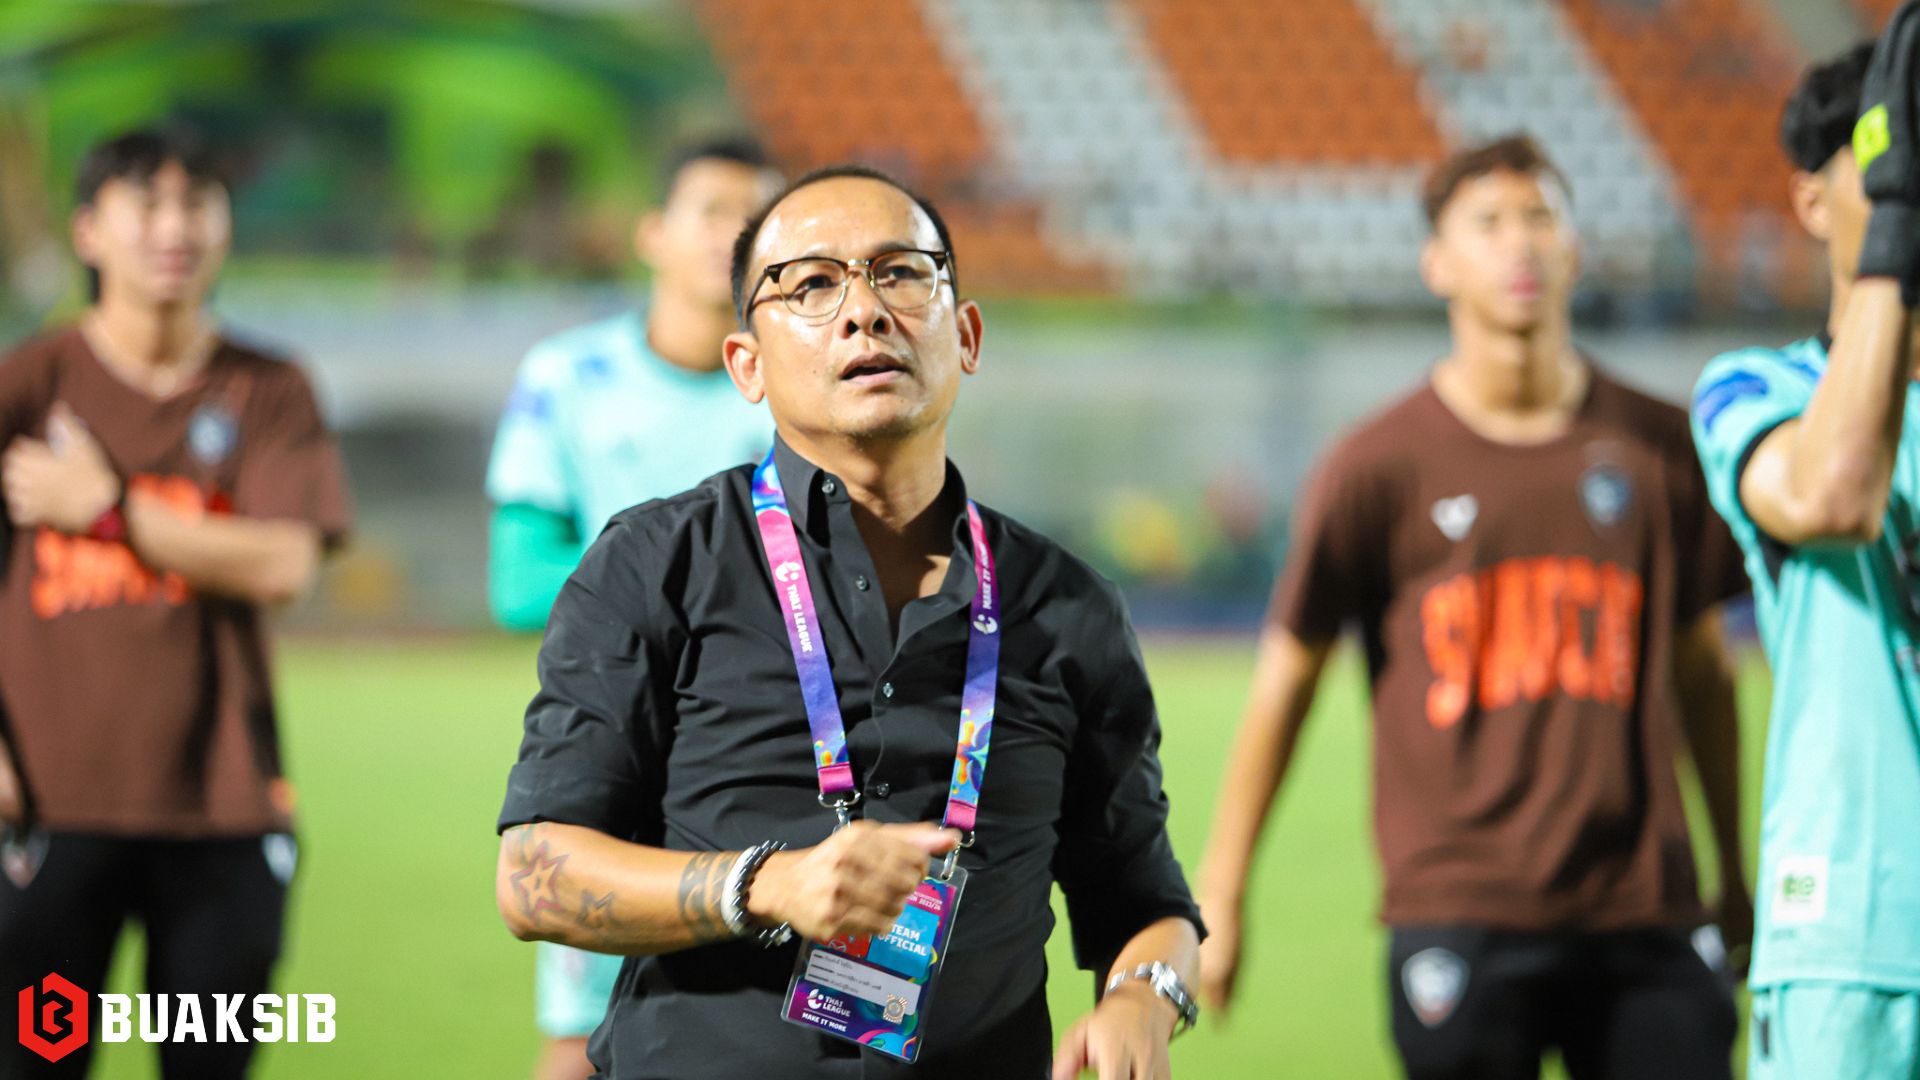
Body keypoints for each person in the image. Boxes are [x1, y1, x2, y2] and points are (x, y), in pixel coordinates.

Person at [492, 165, 1202, 1080]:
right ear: (747, 364)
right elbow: (534, 875)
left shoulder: (1067, 608)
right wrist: (764, 884)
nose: (864, 311)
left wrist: (1144, 997)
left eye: (900, 273)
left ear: (966, 334)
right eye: (811, 285)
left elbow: (1147, 902)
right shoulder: (654, 565)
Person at [1197, 134, 1751, 1079]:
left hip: (1646, 904)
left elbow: (1704, 670)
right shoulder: (1376, 466)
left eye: (1540, 217)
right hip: (1458, 908)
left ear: (1576, 249)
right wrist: (1224, 887)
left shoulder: (1663, 448)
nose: (1519, 242)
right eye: (1487, 223)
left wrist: (1732, 870)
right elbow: (1287, 681)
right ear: (1437, 264)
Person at [0, 128, 351, 1076]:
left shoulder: (268, 388)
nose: (174, 228)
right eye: (145, 204)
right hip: (45, 810)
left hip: (223, 810)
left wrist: (108, 511)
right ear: (87, 230)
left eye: (196, 202)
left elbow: (283, 563)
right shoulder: (28, 384)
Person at [484, 136, 780, 1080]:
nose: (734, 233)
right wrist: (696, 597)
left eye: (755, 216)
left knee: (776, 1028)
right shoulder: (567, 378)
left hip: (772, 745)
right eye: (712, 210)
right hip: (611, 745)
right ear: (653, 232)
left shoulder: (801, 385)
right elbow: (516, 582)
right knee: (583, 1035)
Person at [1690, 16, 1920, 1077]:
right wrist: (1898, 239)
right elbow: (1835, 493)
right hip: (1850, 939)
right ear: (1813, 202)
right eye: (1886, 163)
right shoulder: (1756, 388)